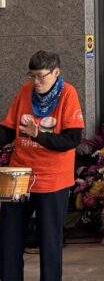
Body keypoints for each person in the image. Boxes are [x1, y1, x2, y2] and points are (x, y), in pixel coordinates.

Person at [0, 51, 84, 281]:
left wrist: (38, 135)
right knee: (9, 238)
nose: (35, 82)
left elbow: (71, 140)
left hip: (52, 178)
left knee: (49, 241)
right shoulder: (25, 91)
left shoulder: (68, 94)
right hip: (20, 176)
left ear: (56, 73)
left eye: (41, 76)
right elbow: (8, 130)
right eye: (32, 75)